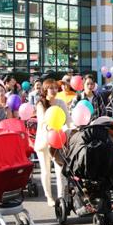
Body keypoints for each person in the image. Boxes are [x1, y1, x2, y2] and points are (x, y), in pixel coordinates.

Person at [35, 78, 71, 207]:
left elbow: (67, 120)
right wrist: (50, 129)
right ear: (45, 90)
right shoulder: (41, 103)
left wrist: (69, 134)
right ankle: (49, 197)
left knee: (60, 170)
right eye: (51, 88)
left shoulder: (61, 102)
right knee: (46, 171)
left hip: (59, 140)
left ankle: (61, 196)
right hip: (44, 141)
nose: (54, 90)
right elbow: (42, 121)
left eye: (56, 87)